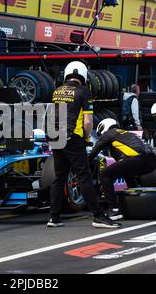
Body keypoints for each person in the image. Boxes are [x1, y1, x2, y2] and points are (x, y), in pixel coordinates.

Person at [48, 61, 120, 229]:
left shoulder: (57, 91)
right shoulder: (83, 91)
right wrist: (87, 137)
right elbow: (87, 121)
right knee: (84, 176)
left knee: (59, 177)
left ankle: (54, 217)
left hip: (55, 136)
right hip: (73, 136)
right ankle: (98, 216)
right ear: (83, 76)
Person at [89, 118, 156, 215]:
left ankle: (114, 209)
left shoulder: (109, 133)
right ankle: (135, 203)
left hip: (137, 159)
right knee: (126, 172)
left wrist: (83, 164)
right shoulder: (128, 133)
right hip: (153, 162)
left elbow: (93, 152)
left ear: (102, 128)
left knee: (104, 174)